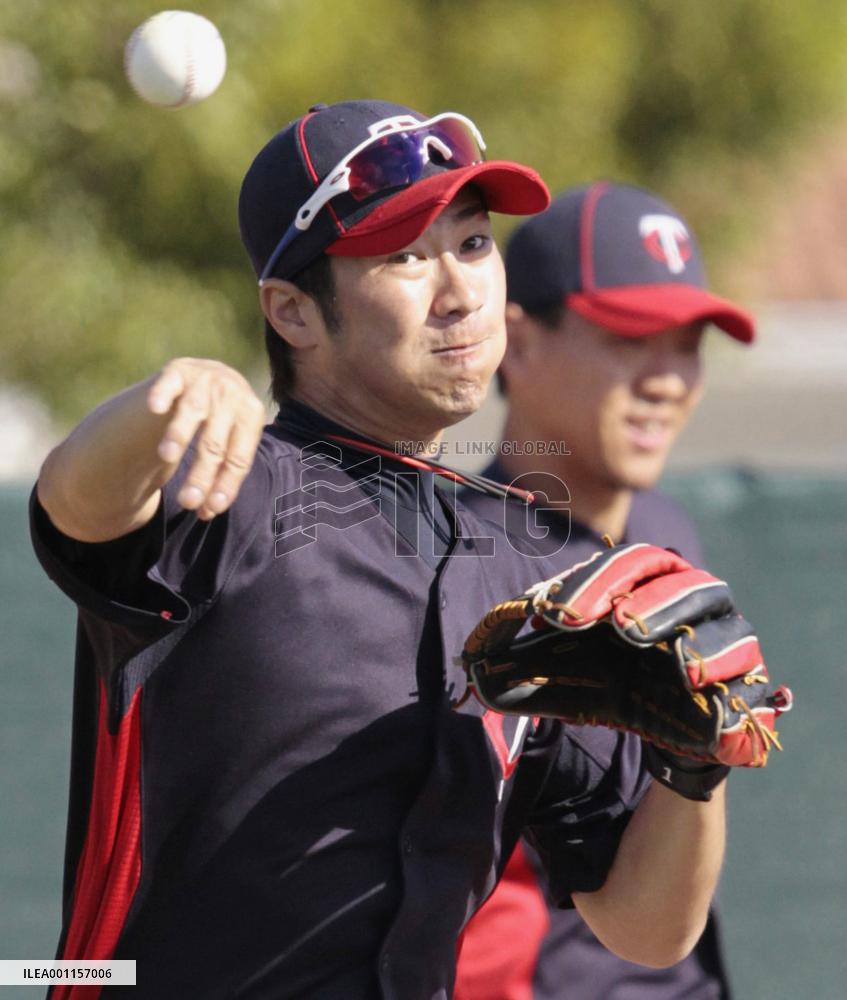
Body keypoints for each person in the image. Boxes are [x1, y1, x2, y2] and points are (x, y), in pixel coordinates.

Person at [32, 105, 730, 999]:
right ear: (291, 311)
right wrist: (172, 397)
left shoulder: (539, 570)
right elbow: (76, 504)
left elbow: (642, 927)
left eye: (473, 243)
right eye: (404, 255)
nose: (460, 290)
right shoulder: (230, 486)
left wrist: (692, 764)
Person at [453, 181, 755, 999]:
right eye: (630, 337)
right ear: (517, 342)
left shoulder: (667, 533)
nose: (669, 378)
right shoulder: (448, 565)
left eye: (688, 341)